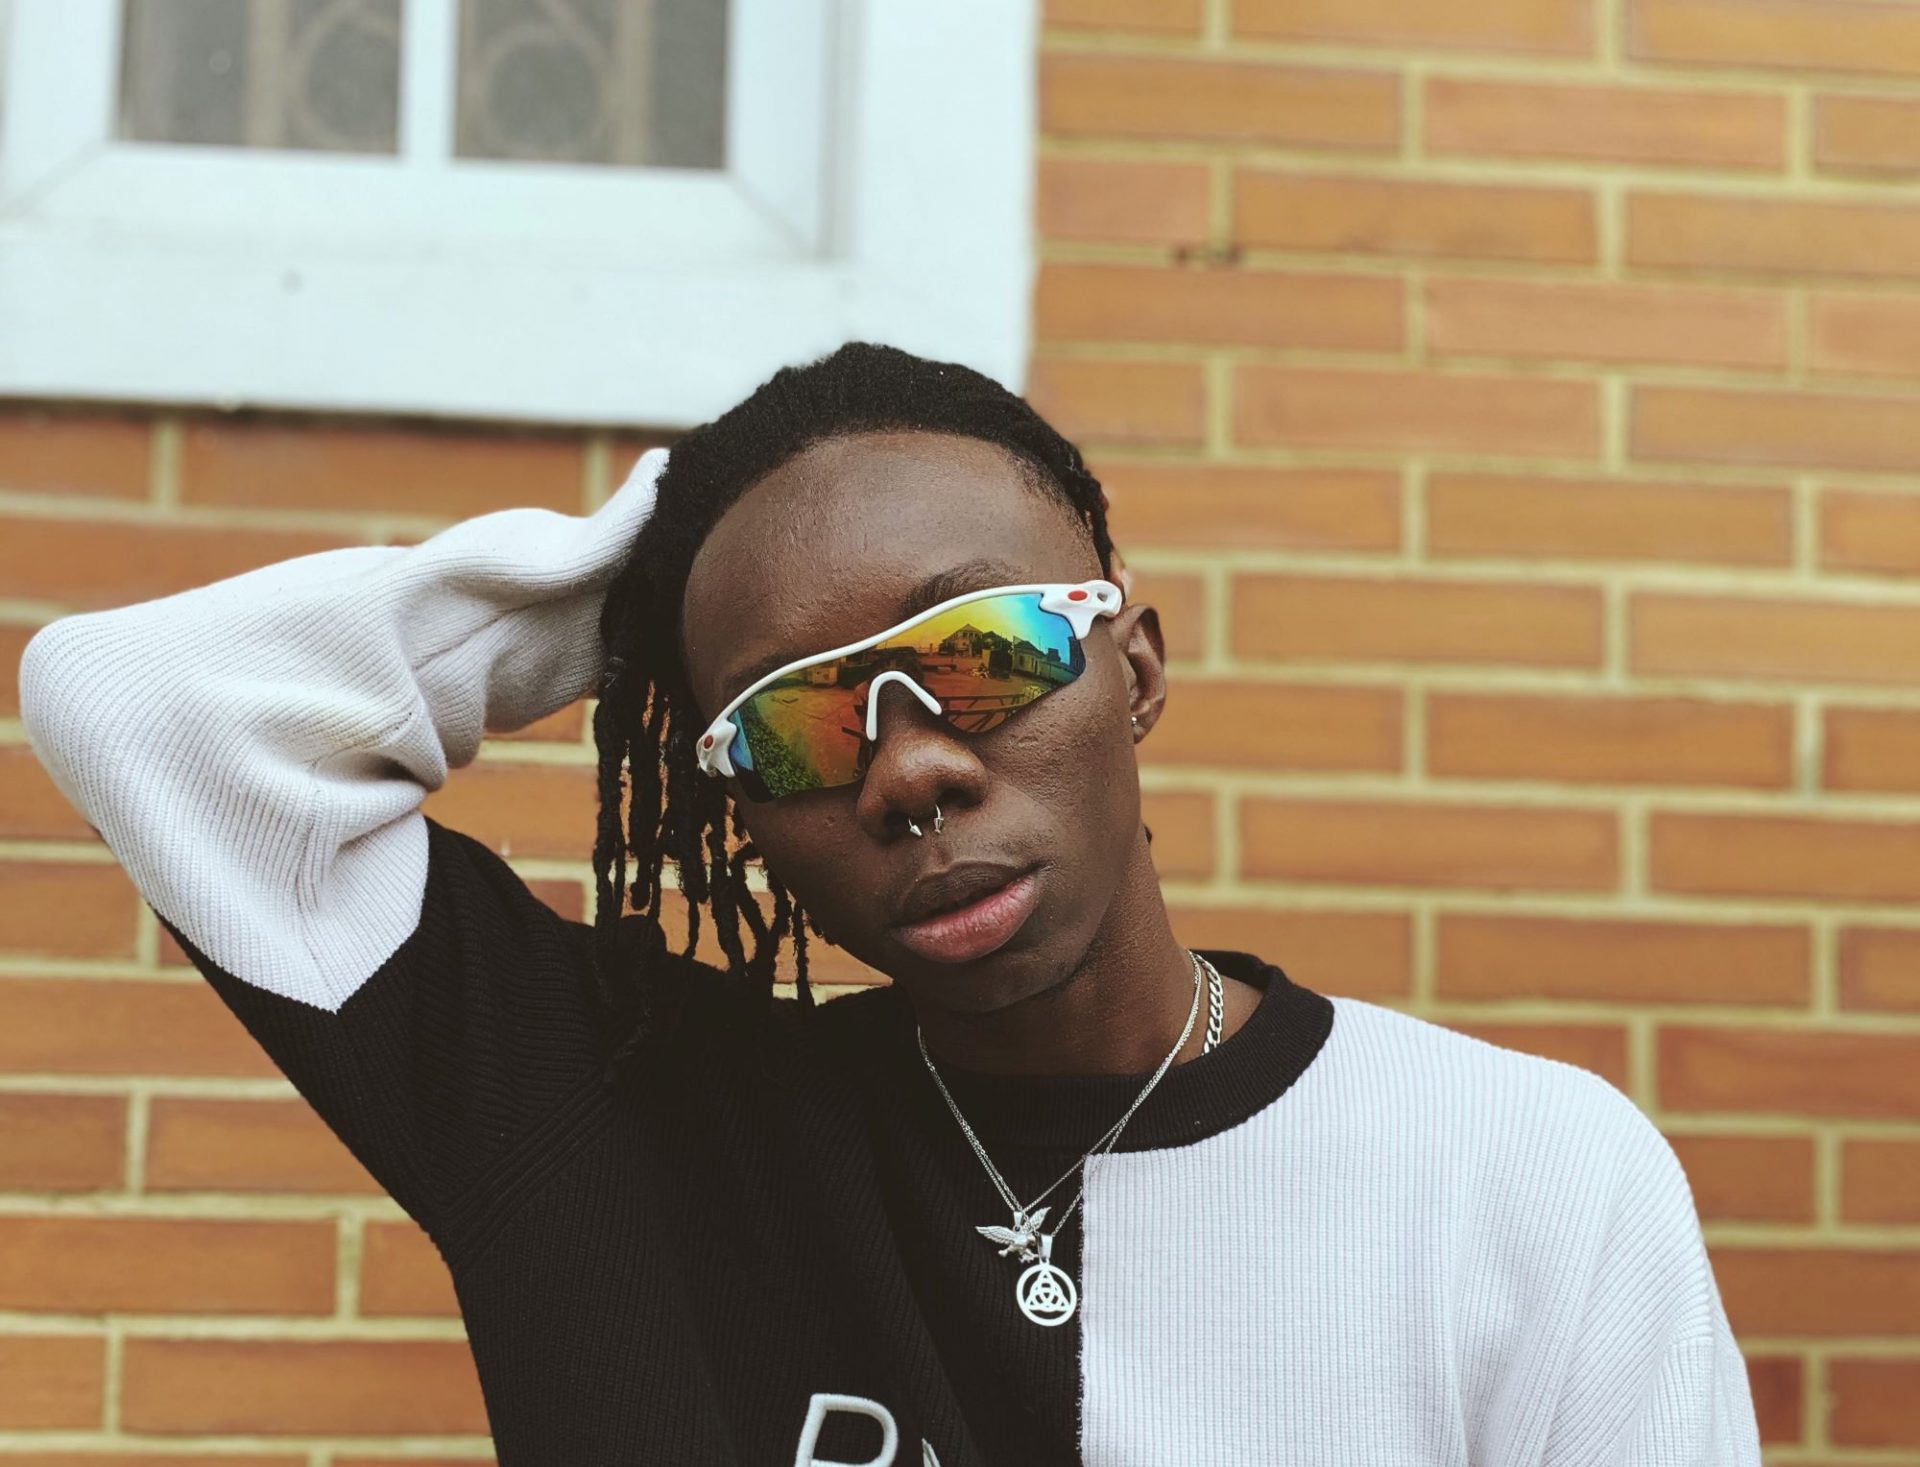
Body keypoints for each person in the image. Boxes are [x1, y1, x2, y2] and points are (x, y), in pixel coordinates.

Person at [18, 342, 1763, 1466]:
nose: (911, 768)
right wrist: (648, 581)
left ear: (1137, 668)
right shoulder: (618, 1128)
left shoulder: (1521, 1171)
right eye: (795, 723)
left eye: (983, 654)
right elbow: (141, 706)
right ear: (737, 804)